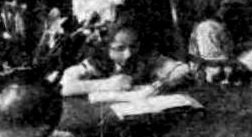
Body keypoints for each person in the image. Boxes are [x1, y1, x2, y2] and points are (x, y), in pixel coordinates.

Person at [60, 20, 191, 96]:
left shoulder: (144, 57)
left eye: (133, 47)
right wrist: (106, 84)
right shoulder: (98, 61)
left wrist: (164, 82)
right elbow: (64, 85)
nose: (128, 54)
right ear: (106, 47)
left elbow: (182, 69)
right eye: (119, 48)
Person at [188, 0, 235, 83]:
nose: (229, 9)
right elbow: (212, 62)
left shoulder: (218, 24)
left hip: (223, 66)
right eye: (225, 5)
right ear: (213, 4)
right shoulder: (207, 28)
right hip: (211, 76)